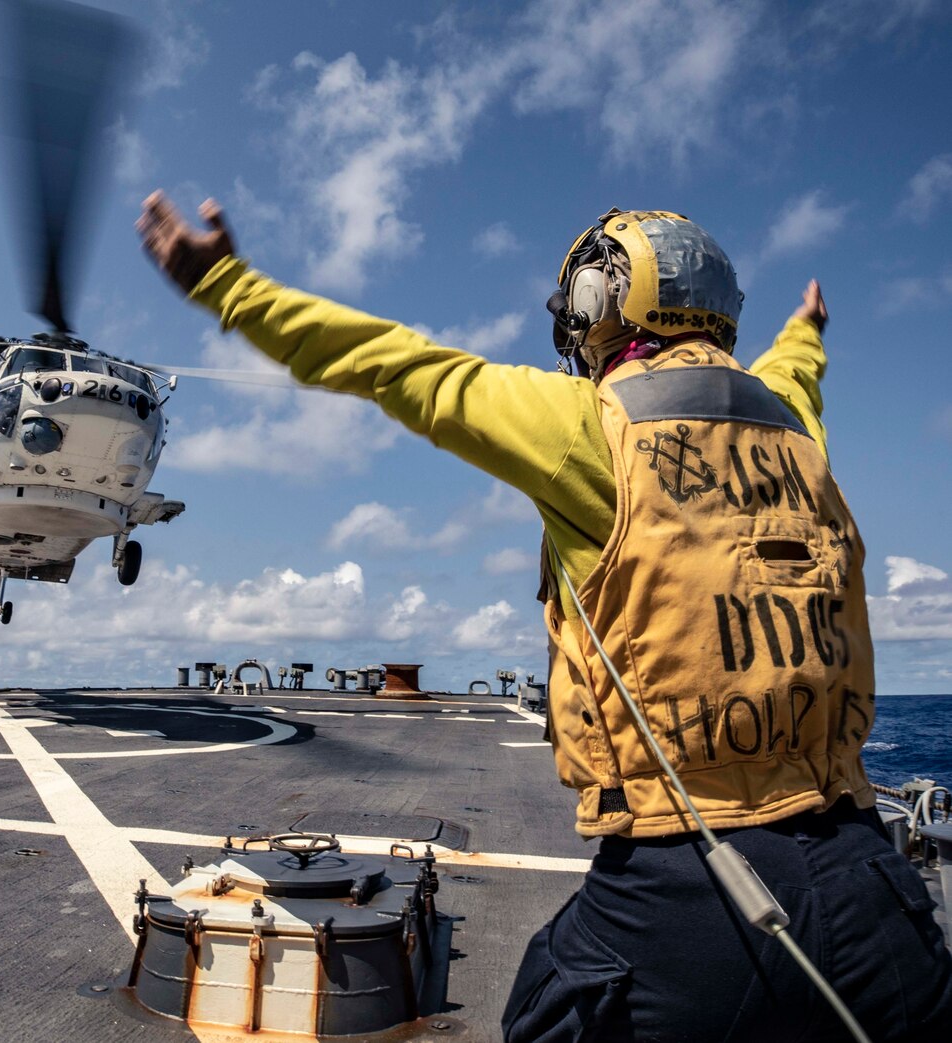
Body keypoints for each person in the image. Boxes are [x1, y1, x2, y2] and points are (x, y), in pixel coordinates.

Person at [137, 192, 952, 1041]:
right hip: (872, 885)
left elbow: (397, 365)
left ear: (602, 302)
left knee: (547, 1007)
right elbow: (795, 372)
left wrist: (229, 286)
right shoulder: (794, 426)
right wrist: (808, 330)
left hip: (686, 891)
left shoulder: (589, 426)